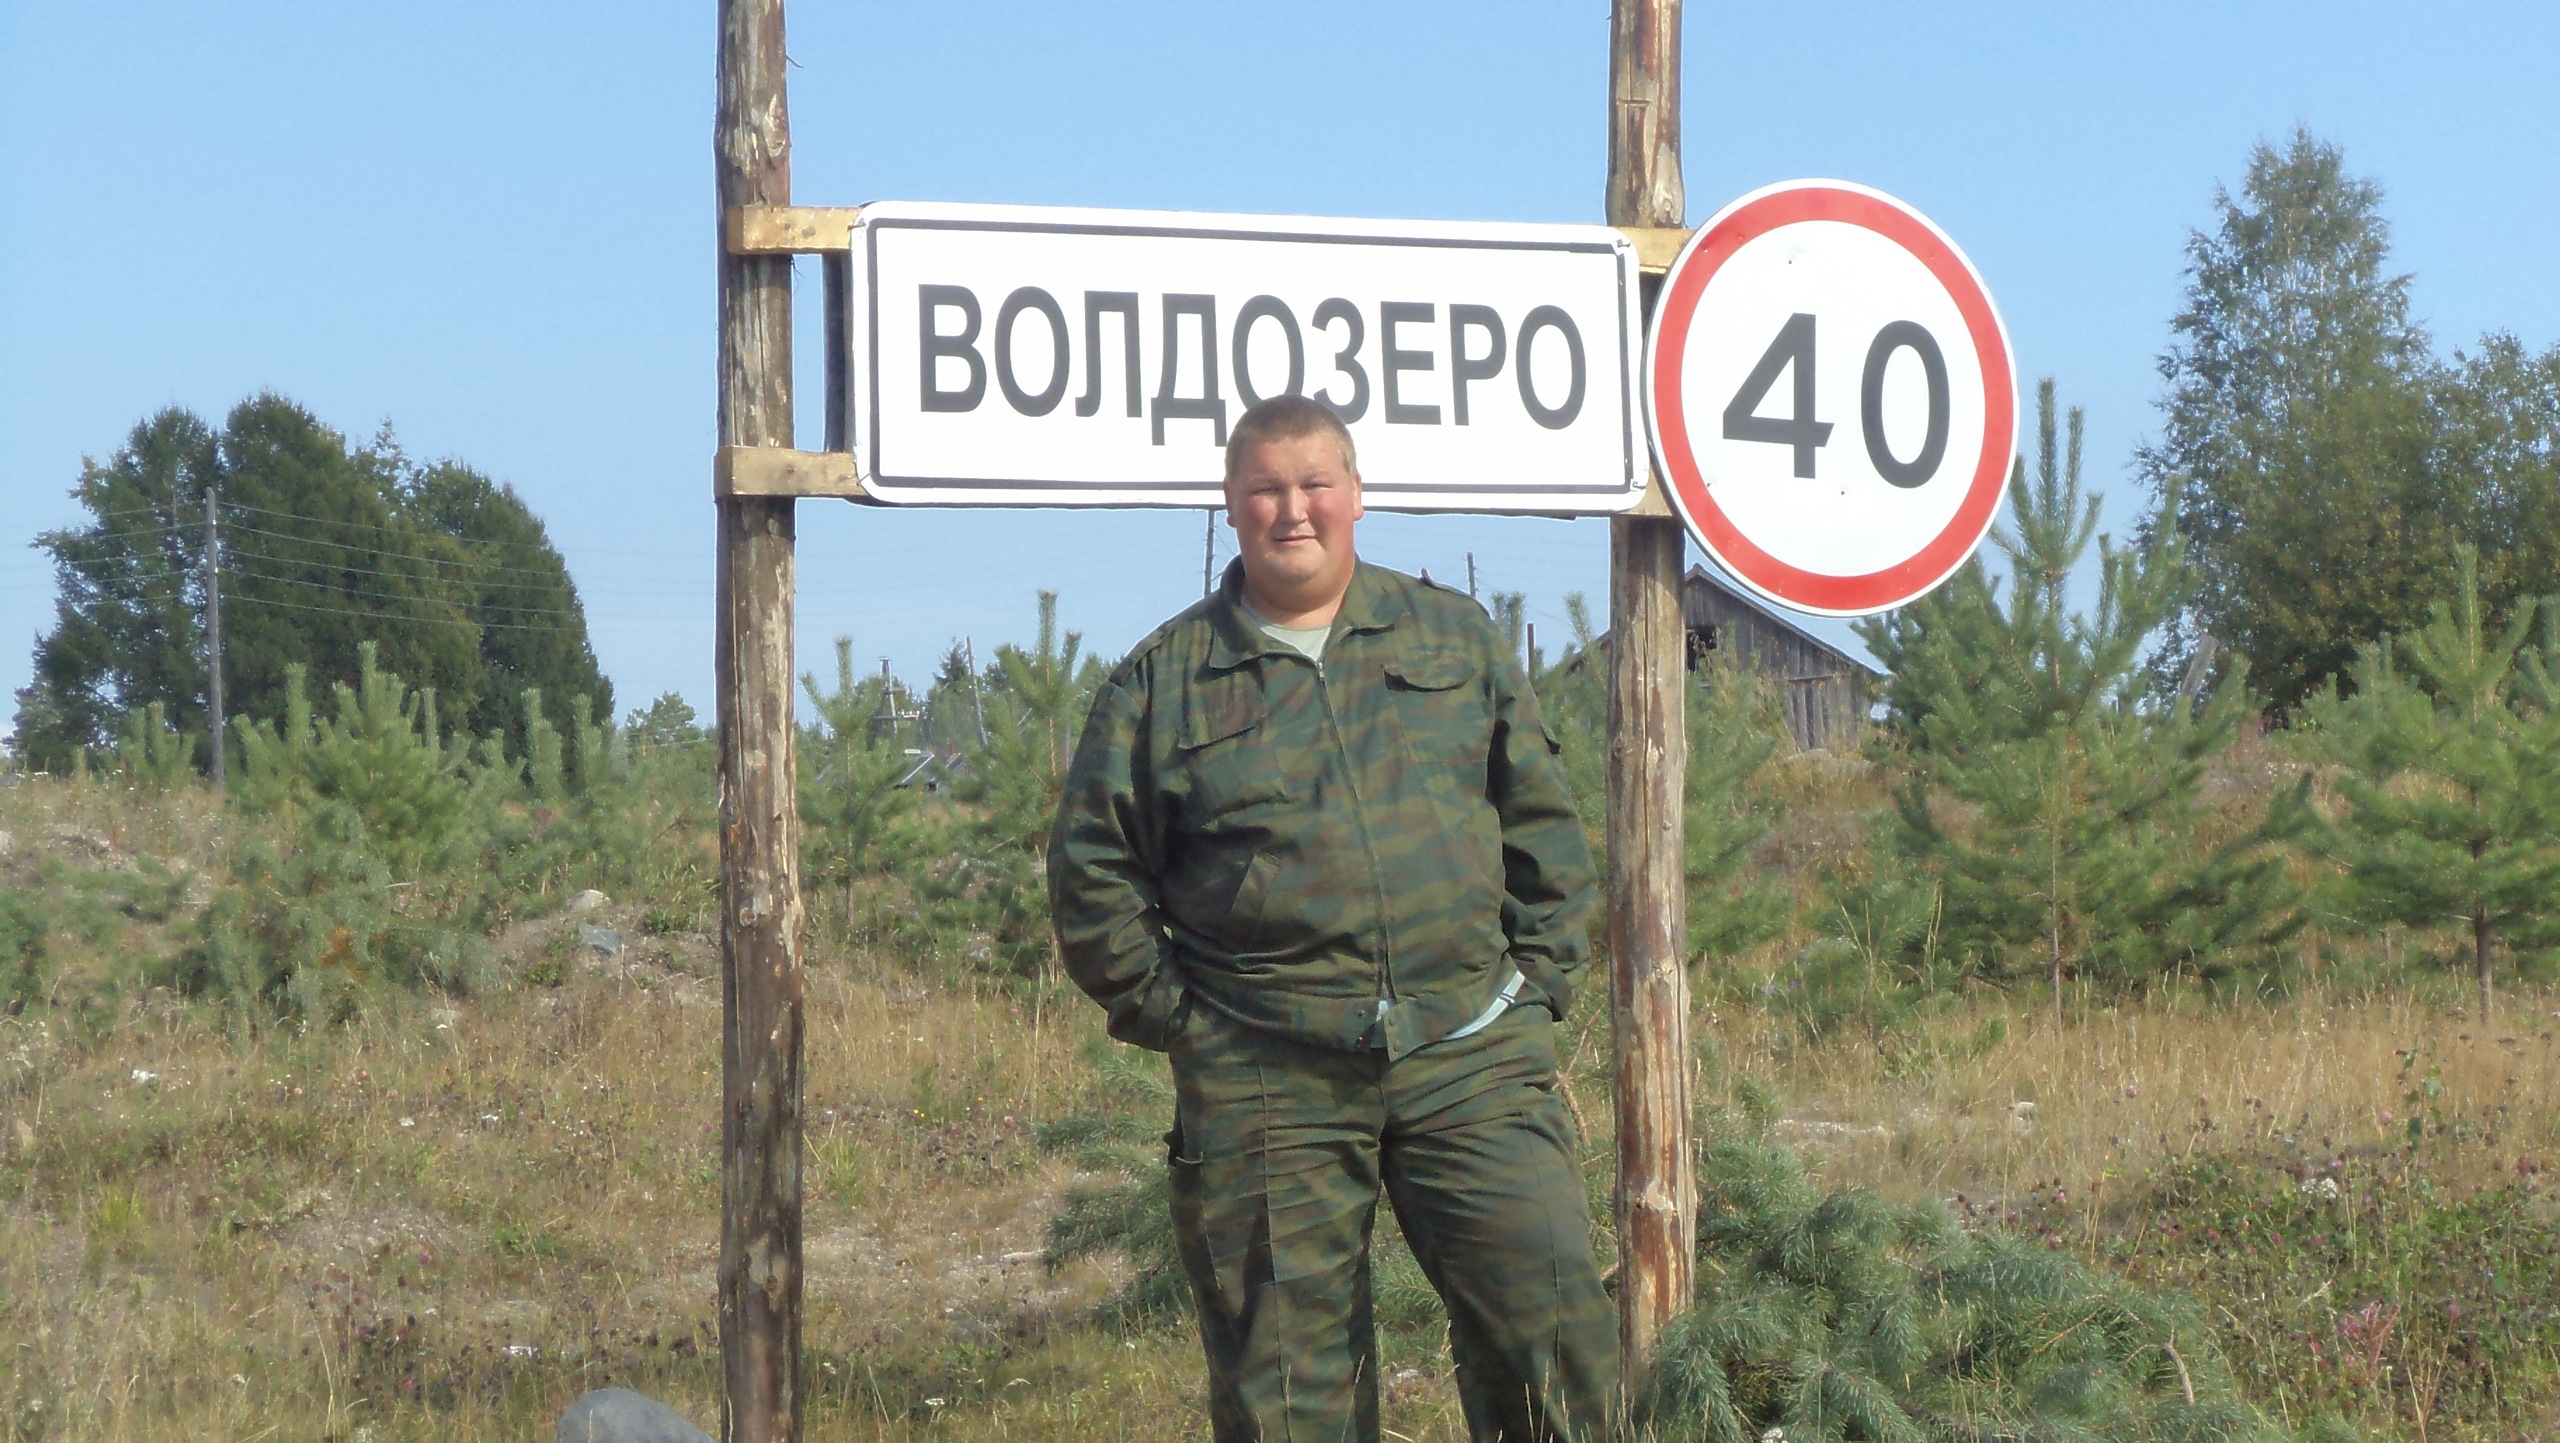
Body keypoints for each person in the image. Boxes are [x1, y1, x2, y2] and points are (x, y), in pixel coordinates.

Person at [1047, 393, 1618, 1442]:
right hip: (1269, 1072)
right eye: (1266, 489)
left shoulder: (1450, 636)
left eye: (1315, 484)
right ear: (1231, 506)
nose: (1293, 510)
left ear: (1356, 494)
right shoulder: (1164, 681)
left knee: (1557, 1344)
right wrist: (1190, 1026)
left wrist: (1537, 986)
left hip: (1470, 1052)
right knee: (1288, 1398)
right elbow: (1092, 874)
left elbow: (1542, 821)